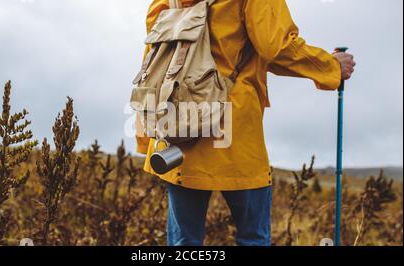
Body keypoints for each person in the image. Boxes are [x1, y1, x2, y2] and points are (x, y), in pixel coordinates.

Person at [135, 0, 356, 246]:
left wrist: (149, 136)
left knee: (184, 242)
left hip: (177, 127)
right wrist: (330, 66)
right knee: (252, 238)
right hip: (233, 128)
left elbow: (155, 60)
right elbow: (276, 46)